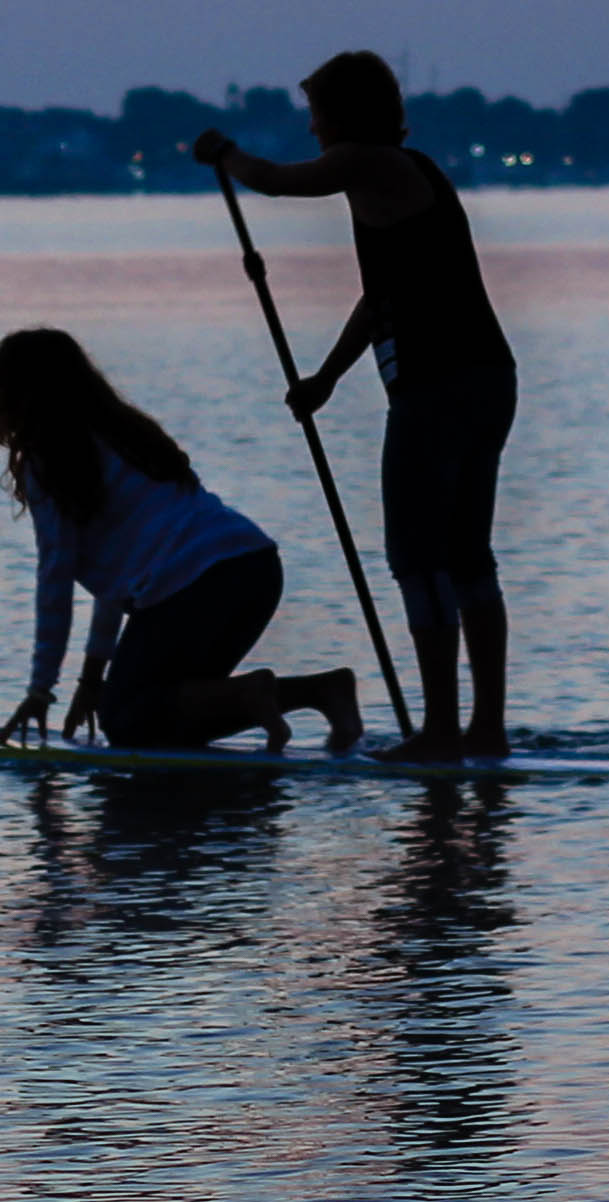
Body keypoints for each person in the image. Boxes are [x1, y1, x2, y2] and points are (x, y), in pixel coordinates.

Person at [194, 50, 517, 758]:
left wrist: (226, 154)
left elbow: (277, 183)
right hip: (487, 378)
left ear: (345, 115)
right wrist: (326, 379)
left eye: (316, 114)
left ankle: (441, 732)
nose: (311, 129)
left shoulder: (368, 164)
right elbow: (382, 301)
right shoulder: (411, 173)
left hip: (439, 388)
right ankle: (484, 728)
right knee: (466, 558)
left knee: (417, 557)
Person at [0, 327, 364, 755]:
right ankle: (321, 691)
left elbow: (54, 579)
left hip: (198, 585)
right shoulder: (126, 434)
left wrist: (40, 690)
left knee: (128, 720)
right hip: (255, 568)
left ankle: (251, 694)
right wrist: (94, 679)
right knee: (164, 709)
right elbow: (116, 584)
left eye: (2, 387)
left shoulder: (50, 460)